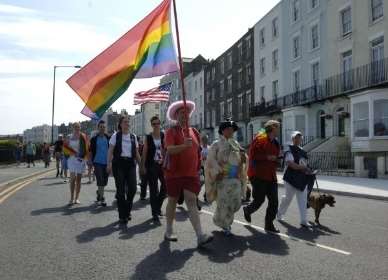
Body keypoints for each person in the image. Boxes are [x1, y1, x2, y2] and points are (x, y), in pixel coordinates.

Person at [163, 100, 213, 247]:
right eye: (181, 113)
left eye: (186, 113)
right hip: (174, 173)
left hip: (191, 173)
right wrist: (184, 145)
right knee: (172, 200)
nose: (184, 116)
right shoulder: (171, 131)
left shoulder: (194, 132)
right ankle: (169, 230)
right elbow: (170, 149)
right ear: (176, 116)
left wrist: (200, 167)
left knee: (191, 200)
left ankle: (200, 236)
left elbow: (197, 152)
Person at [205, 119, 247, 236]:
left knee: (236, 202)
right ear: (222, 131)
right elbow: (210, 161)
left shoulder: (236, 144)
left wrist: (243, 159)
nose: (230, 131)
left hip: (235, 178)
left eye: (232, 129)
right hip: (222, 178)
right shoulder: (216, 144)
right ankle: (226, 225)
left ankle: (218, 219)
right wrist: (217, 171)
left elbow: (242, 159)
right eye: (228, 129)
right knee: (224, 202)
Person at [243, 120, 281, 233]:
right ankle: (248, 210)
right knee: (259, 200)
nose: (278, 129)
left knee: (274, 201)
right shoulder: (260, 137)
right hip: (258, 175)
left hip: (271, 176)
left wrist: (277, 160)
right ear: (272, 128)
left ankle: (269, 224)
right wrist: (267, 157)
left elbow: (274, 157)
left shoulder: (276, 142)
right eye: (277, 127)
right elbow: (253, 155)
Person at [107, 115, 141, 225]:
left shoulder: (133, 137)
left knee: (132, 189)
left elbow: (136, 153)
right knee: (120, 191)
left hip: (130, 164)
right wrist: (109, 164)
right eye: (125, 122)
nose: (127, 124)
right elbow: (110, 151)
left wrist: (141, 166)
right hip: (119, 164)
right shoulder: (115, 136)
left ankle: (127, 209)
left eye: (128, 122)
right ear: (120, 124)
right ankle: (123, 215)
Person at [277, 131, 313, 228]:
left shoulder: (303, 151)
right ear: (293, 139)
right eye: (296, 138)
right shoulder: (289, 150)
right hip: (290, 178)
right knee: (288, 198)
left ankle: (304, 220)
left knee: (303, 199)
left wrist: (309, 171)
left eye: (299, 138)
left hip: (301, 178)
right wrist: (304, 168)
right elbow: (291, 164)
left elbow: (304, 164)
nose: (298, 139)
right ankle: (279, 214)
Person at [140, 116, 167, 222]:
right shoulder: (149, 137)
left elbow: (165, 150)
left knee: (165, 187)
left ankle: (157, 207)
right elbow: (145, 152)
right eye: (154, 124)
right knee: (153, 189)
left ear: (160, 124)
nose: (156, 126)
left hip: (162, 165)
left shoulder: (163, 135)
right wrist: (142, 166)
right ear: (151, 125)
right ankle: (154, 212)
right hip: (151, 165)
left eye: (157, 123)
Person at [64, 122, 89, 205]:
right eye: (75, 127)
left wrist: (86, 158)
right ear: (73, 128)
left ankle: (77, 198)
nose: (77, 128)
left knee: (78, 179)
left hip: (80, 160)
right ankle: (71, 198)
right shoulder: (69, 137)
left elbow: (87, 148)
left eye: (78, 127)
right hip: (72, 159)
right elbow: (65, 148)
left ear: (80, 127)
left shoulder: (83, 136)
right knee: (72, 178)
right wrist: (72, 152)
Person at [90, 120, 110, 207]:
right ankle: (102, 198)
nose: (102, 128)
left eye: (104, 127)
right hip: (97, 162)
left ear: (105, 128)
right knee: (100, 180)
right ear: (98, 128)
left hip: (106, 162)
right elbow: (91, 151)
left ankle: (99, 192)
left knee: (105, 181)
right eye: (101, 127)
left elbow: (111, 150)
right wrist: (90, 161)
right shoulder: (94, 139)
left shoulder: (108, 138)